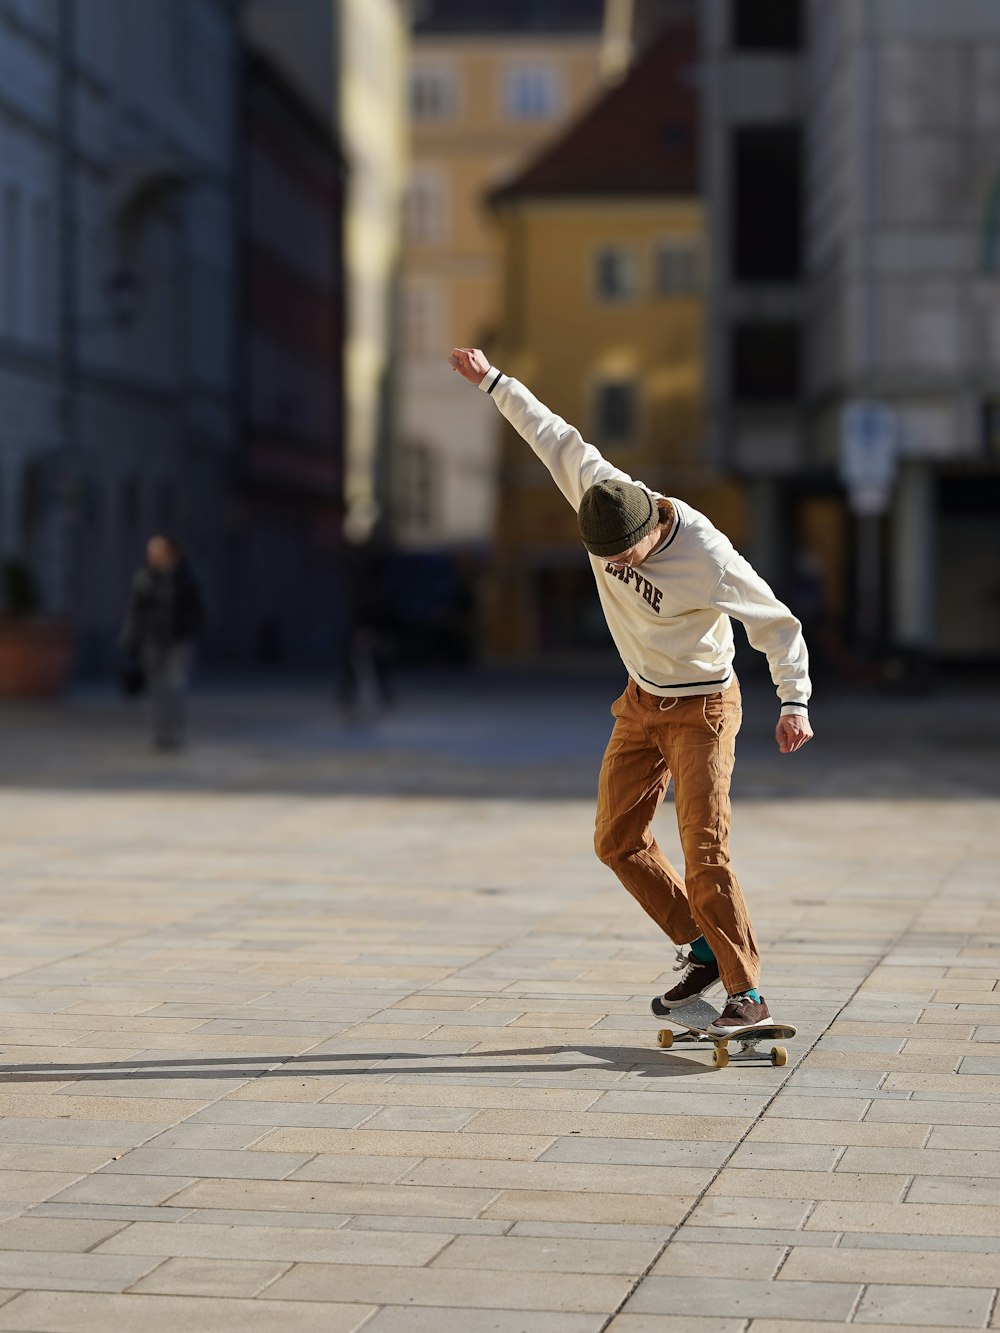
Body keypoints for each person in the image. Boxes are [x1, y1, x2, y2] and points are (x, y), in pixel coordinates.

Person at [449, 347, 813, 1035]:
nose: (614, 568)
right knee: (616, 839)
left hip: (704, 709)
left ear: (650, 529)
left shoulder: (708, 555)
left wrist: (793, 701)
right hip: (640, 701)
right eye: (604, 559)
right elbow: (552, 433)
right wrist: (494, 381)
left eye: (623, 558)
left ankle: (747, 994)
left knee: (704, 850)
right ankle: (701, 946)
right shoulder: (600, 489)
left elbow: (778, 622)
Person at [121, 535, 205, 750]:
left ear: (171, 552)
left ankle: (175, 731)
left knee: (175, 685)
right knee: (157, 688)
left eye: (157, 551)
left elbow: (197, 610)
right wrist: (130, 638)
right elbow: (135, 610)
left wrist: (192, 632)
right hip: (152, 640)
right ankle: (161, 734)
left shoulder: (185, 578)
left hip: (179, 641)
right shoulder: (144, 577)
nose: (152, 555)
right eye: (151, 551)